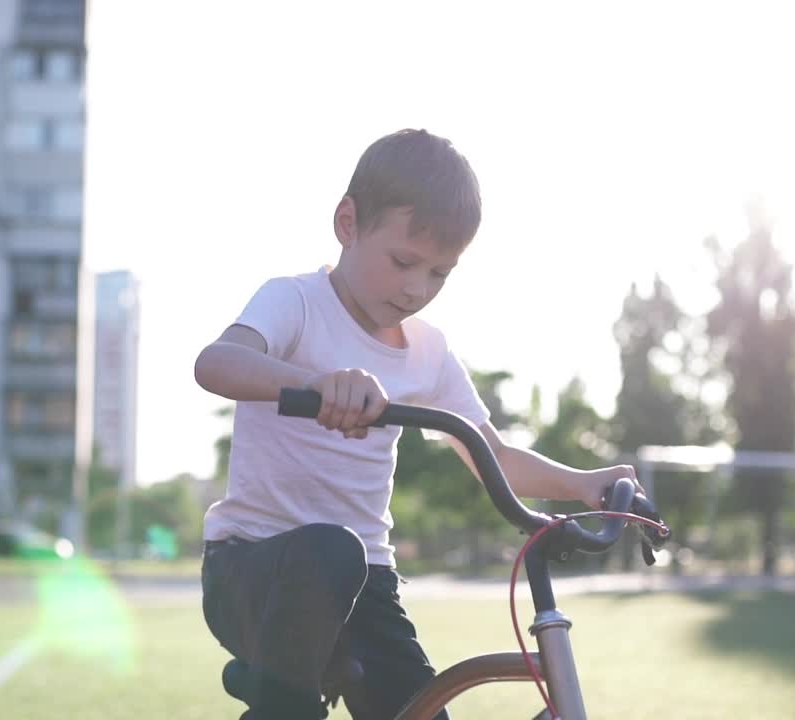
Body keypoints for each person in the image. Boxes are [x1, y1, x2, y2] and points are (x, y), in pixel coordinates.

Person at [193, 128, 642, 719]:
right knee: (334, 550)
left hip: (365, 589)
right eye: (404, 261)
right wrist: (315, 383)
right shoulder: (295, 302)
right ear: (348, 223)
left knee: (418, 704)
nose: (416, 288)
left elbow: (495, 457)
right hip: (255, 571)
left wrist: (586, 484)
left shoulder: (428, 352)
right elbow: (215, 364)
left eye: (439, 273)